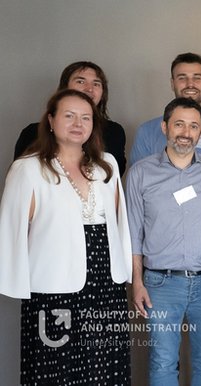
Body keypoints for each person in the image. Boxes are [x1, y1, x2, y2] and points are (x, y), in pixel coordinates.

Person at [0, 89, 131, 385]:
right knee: (55, 367)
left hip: (105, 285)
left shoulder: (106, 165)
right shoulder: (28, 168)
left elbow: (119, 224)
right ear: (50, 120)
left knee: (104, 367)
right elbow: (11, 228)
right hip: (53, 286)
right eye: (69, 115)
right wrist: (17, 280)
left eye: (86, 117)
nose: (78, 123)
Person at [127, 97, 201, 386]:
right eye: (179, 124)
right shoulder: (140, 174)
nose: (186, 132)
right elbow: (134, 232)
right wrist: (137, 282)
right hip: (160, 285)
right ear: (164, 127)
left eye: (193, 126)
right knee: (162, 361)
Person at [14, 61, 127, 173]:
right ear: (65, 87)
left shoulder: (115, 132)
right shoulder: (32, 133)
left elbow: (114, 178)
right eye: (81, 81)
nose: (89, 89)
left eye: (96, 84)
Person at [130, 52, 201, 167]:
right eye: (182, 78)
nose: (190, 84)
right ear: (172, 84)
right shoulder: (146, 132)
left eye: (197, 78)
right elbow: (140, 179)